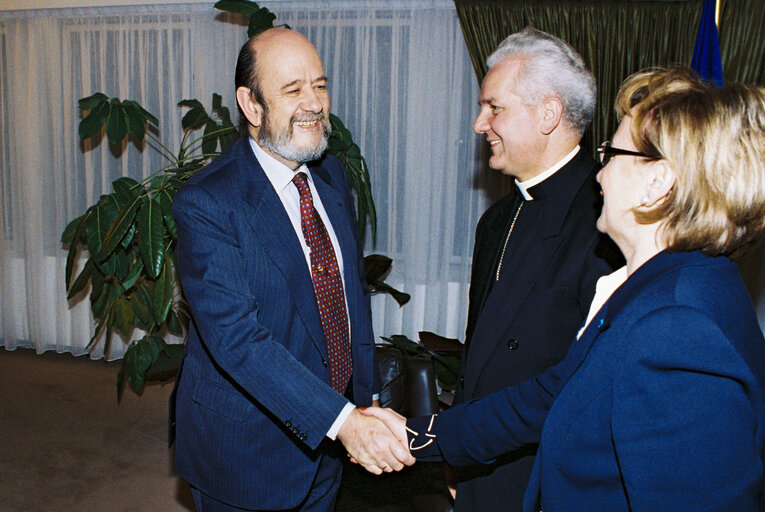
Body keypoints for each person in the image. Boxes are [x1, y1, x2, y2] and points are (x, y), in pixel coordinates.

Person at [366, 66, 765, 511]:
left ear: (658, 183)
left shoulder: (677, 328)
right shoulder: (661, 289)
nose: (599, 175)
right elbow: (541, 400)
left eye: (612, 154)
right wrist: (415, 436)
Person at [169, 28, 413, 512]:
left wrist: (360, 403)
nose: (314, 103)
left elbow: (348, 301)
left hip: (329, 443)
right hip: (246, 453)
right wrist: (344, 421)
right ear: (251, 105)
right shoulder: (207, 201)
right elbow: (237, 340)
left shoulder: (331, 175)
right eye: (292, 89)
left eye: (320, 86)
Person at [451, 27, 622, 511]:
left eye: (494, 107)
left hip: (550, 477)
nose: (480, 124)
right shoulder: (496, 220)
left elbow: (588, 383)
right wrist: (458, 457)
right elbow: (478, 353)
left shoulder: (608, 220)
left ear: (548, 114)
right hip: (480, 461)